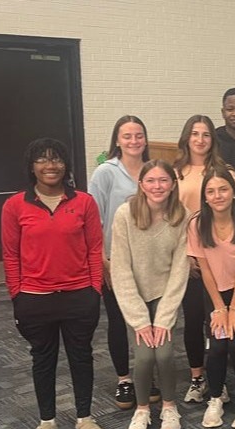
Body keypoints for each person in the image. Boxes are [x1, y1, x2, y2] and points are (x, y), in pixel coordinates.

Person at [2, 138, 105, 429]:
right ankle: (47, 420)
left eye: (57, 159)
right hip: (35, 297)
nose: (50, 166)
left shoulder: (84, 202)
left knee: (81, 356)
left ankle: (85, 417)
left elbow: (95, 249)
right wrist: (17, 295)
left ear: (66, 165)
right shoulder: (15, 205)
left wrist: (94, 290)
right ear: (32, 167)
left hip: (78, 295)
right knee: (43, 360)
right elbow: (10, 255)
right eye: (42, 160)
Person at [110, 160, 189, 429]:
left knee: (165, 354)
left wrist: (164, 318)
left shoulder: (182, 216)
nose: (158, 186)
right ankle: (142, 409)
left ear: (173, 184)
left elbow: (180, 271)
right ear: (141, 185)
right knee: (144, 357)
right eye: (151, 181)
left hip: (165, 295)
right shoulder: (125, 214)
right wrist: (140, 321)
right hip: (135, 297)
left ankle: (169, 406)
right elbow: (120, 269)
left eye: (164, 180)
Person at [88, 115, 159, 410]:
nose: (134, 141)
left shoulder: (154, 171)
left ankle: (147, 375)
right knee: (119, 321)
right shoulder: (105, 172)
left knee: (150, 321)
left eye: (139, 135)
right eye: (127, 136)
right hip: (115, 260)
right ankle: (124, 379)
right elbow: (94, 219)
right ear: (117, 140)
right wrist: (102, 261)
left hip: (152, 261)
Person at [187, 167, 235, 429]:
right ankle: (216, 398)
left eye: (223, 189)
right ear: (205, 197)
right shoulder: (197, 224)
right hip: (215, 291)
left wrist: (234, 308)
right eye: (211, 191)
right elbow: (205, 270)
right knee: (218, 346)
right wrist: (220, 308)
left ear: (233, 193)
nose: (217, 195)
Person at [174, 115, 235, 403]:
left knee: (217, 320)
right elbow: (170, 219)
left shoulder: (224, 172)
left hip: (220, 262)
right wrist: (187, 257)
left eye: (206, 134)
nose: (200, 140)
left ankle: (218, 380)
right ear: (187, 137)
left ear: (213, 139)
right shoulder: (175, 173)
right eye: (195, 133)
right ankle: (197, 377)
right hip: (187, 259)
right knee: (193, 320)